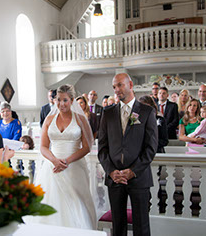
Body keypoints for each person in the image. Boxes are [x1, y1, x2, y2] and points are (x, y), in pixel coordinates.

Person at [29, 84, 97, 229]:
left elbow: (87, 147)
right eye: (58, 100)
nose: (61, 104)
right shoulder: (49, 119)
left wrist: (66, 161)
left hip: (74, 166)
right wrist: (54, 160)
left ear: (72, 100)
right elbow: (43, 146)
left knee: (76, 202)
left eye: (65, 100)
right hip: (52, 167)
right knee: (51, 202)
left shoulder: (80, 119)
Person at [98, 73, 158, 236]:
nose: (116, 90)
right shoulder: (108, 113)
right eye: (114, 87)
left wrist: (133, 171)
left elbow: (151, 147)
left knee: (142, 226)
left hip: (139, 177)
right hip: (115, 177)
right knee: (118, 226)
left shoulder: (147, 111)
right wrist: (111, 171)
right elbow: (102, 148)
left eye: (120, 85)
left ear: (130, 85)